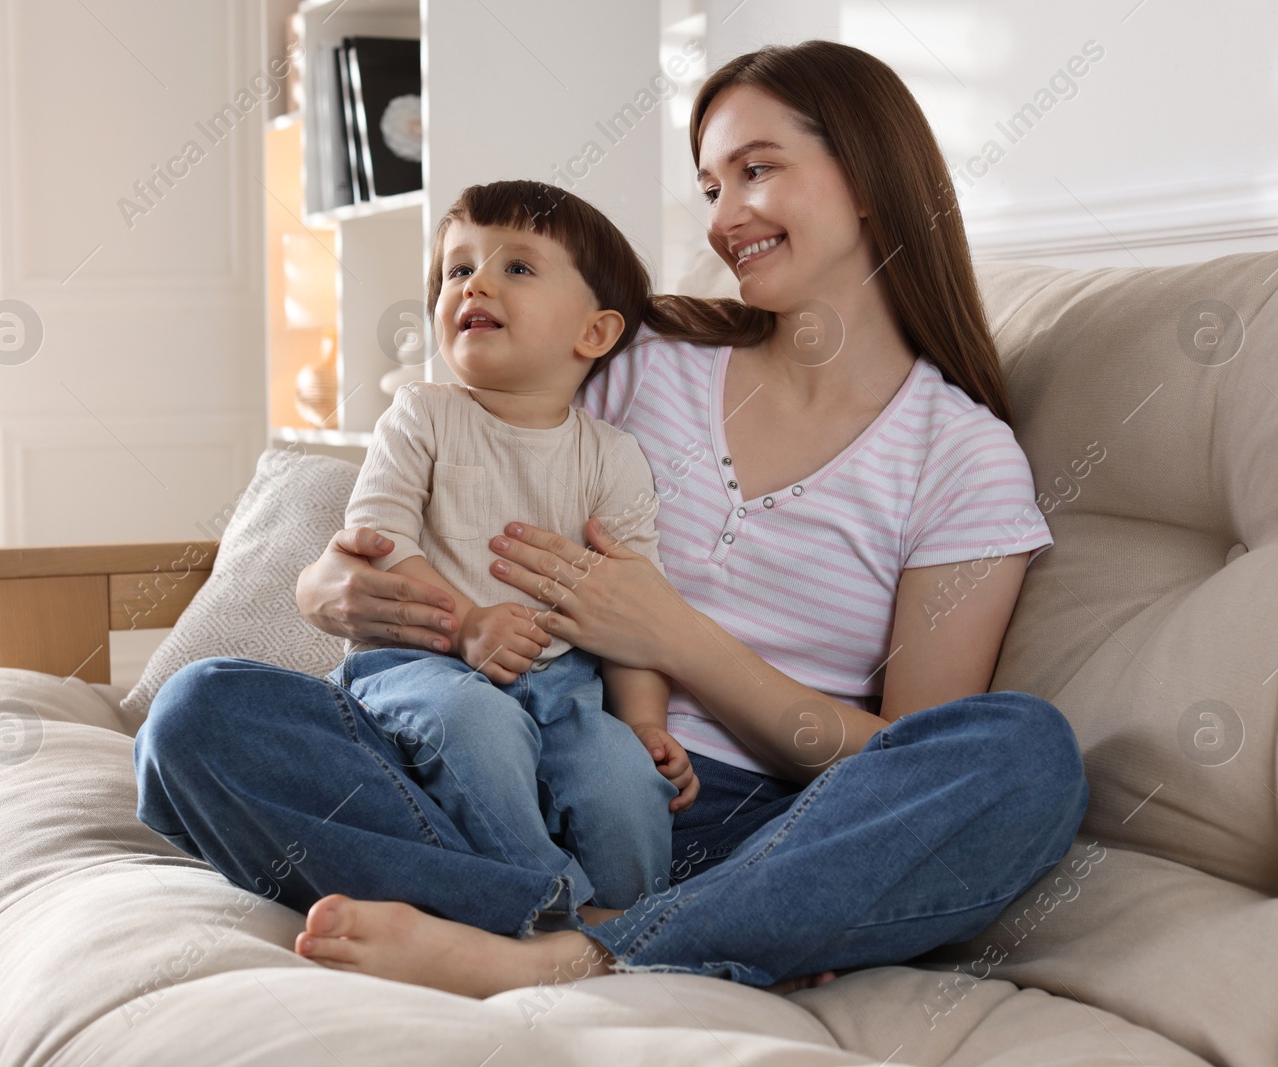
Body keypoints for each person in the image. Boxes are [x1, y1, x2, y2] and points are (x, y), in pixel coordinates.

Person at [133, 39, 1089, 999]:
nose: (725, 217)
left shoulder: (962, 457)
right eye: (711, 186)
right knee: (199, 714)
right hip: (502, 759)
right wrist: (333, 586)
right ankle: (608, 923)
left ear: (870, 174)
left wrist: (677, 638)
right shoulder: (639, 357)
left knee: (1023, 755)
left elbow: (902, 755)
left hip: (753, 827)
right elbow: (435, 495)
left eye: (757, 171)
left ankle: (554, 947)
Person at [332, 179, 697, 914]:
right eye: (457, 270)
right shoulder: (422, 417)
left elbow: (635, 613)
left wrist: (647, 724)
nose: (476, 284)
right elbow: (379, 541)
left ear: (594, 334)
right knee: (479, 723)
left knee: (622, 779)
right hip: (420, 667)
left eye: (516, 268)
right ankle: (546, 904)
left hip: (566, 694)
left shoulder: (613, 457)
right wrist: (466, 623)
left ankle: (633, 918)